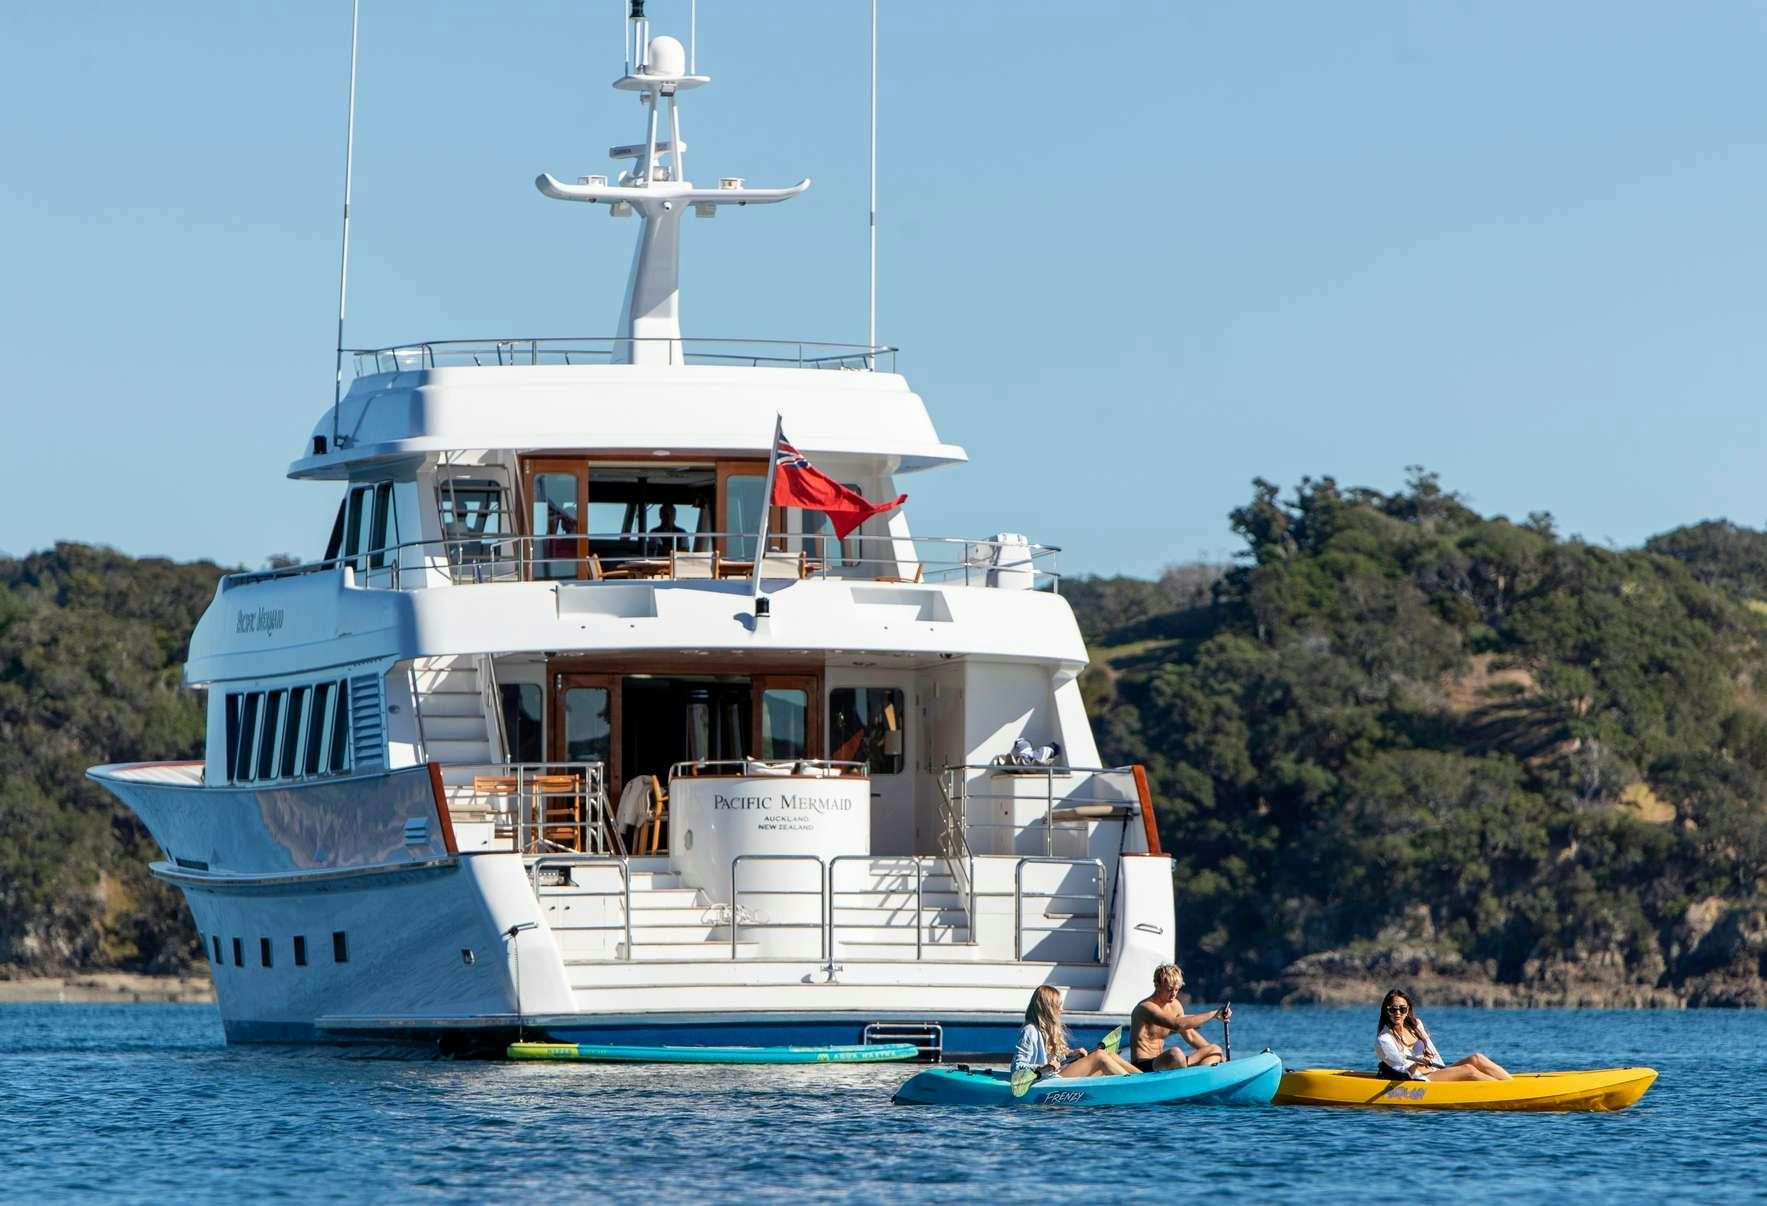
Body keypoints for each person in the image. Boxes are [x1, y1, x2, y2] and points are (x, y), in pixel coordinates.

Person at [1376, 988, 1511, 1081]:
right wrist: (1418, 1063)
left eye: (1402, 1009)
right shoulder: (1384, 1039)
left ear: (1408, 1009)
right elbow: (1401, 1068)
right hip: (1417, 1078)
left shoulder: (1416, 1025)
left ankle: (1511, 1084)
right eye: (1393, 1009)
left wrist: (1436, 1065)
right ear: (1386, 1011)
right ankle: (1505, 1092)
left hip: (1436, 1070)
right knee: (1468, 1070)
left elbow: (1433, 1054)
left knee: (1477, 1058)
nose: (1398, 1013)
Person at [1011, 985, 1140, 1081]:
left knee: (1109, 1054)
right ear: (1047, 1008)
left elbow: (1050, 1054)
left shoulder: (1046, 1029)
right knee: (1099, 1056)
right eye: (1058, 1005)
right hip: (1044, 1081)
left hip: (1054, 1075)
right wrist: (1043, 1066)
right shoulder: (1029, 1031)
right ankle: (1133, 1084)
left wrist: (1070, 1053)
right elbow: (1017, 1067)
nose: (1061, 1009)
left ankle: (1144, 1077)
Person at [1128, 963, 1230, 1071]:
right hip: (1143, 1066)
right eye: (1169, 989)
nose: (1173, 994)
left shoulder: (1175, 1005)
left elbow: (1190, 1035)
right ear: (1157, 985)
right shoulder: (1145, 1008)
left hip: (1165, 1063)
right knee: (1175, 1053)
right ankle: (1188, 1073)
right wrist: (1213, 1014)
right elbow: (1177, 1025)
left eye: (1176, 990)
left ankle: (1197, 1081)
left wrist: (1220, 1057)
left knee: (1215, 1050)